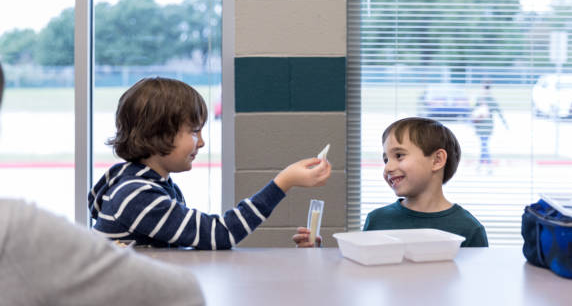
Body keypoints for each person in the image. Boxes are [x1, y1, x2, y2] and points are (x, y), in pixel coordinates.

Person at [0, 63, 205, 305]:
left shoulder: (141, 184)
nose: (201, 143)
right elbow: (183, 293)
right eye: (194, 131)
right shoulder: (16, 225)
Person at [89, 77, 331, 249]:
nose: (201, 142)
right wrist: (283, 183)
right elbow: (220, 234)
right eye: (194, 132)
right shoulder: (136, 195)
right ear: (158, 133)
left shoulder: (149, 185)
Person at [294, 117, 488, 248]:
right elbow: (358, 279)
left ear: (437, 160)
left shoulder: (469, 229)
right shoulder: (377, 221)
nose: (387, 167)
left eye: (399, 155)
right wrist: (315, 255)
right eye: (386, 159)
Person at [471, 83, 507, 171]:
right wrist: (505, 124)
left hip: (482, 127)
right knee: (484, 145)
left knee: (484, 145)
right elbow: (499, 112)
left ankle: (483, 165)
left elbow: (473, 112)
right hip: (485, 126)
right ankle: (486, 165)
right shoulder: (488, 99)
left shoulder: (481, 99)